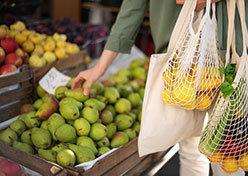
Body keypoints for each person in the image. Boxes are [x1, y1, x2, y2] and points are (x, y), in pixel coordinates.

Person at [72, 0, 247, 175]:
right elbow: (134, 5)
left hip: (230, 55)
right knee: (191, 150)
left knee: (228, 156)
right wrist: (100, 66)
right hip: (180, 62)